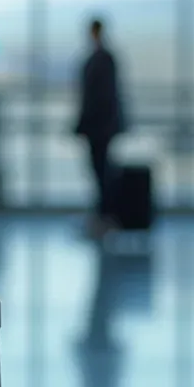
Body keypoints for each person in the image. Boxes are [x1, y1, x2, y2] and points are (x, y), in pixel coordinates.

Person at [73, 17, 124, 236]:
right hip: (100, 127)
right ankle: (104, 215)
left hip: (100, 128)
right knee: (99, 170)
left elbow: (100, 98)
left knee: (102, 170)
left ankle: (106, 216)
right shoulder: (102, 59)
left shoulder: (102, 60)